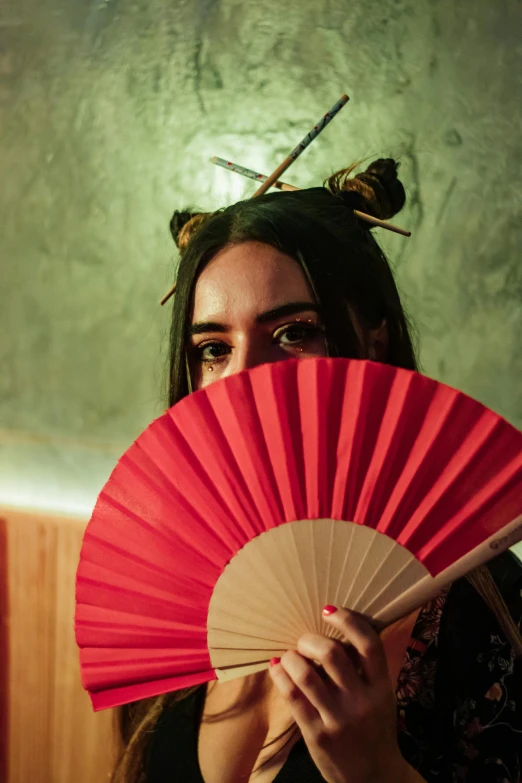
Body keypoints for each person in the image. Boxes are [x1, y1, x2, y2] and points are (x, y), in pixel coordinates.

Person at [112, 159, 522, 783]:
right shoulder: (167, 584)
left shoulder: (478, 601)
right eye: (214, 348)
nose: (243, 379)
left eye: (295, 332)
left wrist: (378, 771)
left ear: (374, 338)